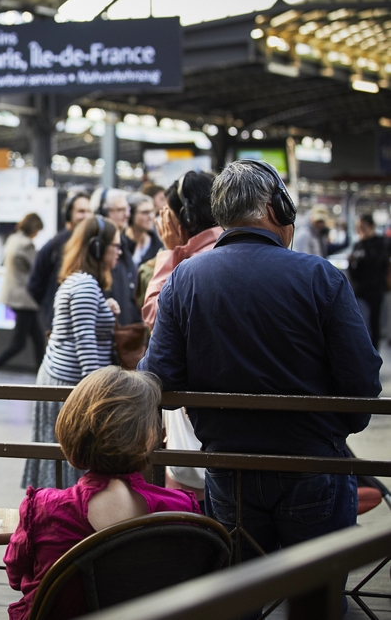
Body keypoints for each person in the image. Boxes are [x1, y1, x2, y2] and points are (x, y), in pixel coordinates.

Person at [139, 160, 380, 577]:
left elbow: (158, 374)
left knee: (237, 595)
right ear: (276, 209)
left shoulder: (184, 279)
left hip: (229, 471)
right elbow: (361, 381)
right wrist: (337, 429)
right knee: (316, 597)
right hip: (313, 465)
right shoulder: (321, 277)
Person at [5, 366, 199, 620]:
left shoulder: (43, 508)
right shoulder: (181, 510)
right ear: (151, 434)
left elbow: (16, 577)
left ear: (73, 427)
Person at [140, 171, 222, 502]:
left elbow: (155, 315)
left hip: (201, 419)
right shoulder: (219, 248)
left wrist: (168, 251)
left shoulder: (196, 262)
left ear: (182, 218)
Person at [23, 217, 121, 490]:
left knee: (59, 461)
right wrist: (97, 400)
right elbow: (86, 346)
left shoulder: (83, 284)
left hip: (65, 386)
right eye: (115, 246)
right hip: (69, 389)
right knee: (67, 463)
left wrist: (106, 307)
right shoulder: (85, 287)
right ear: (97, 248)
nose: (119, 252)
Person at [141, 172, 222, 331]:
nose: (164, 223)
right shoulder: (232, 245)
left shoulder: (194, 266)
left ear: (188, 217)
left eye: (167, 215)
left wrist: (169, 253)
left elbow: (155, 316)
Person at [0, 213, 44, 382]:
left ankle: (42, 378)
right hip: (24, 298)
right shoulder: (26, 245)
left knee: (37, 341)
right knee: (21, 343)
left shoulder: (13, 239)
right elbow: (38, 268)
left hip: (16, 296)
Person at [27, 191, 92, 332]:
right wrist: (50, 307)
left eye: (89, 211)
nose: (86, 216)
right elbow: (34, 284)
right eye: (81, 211)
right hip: (58, 325)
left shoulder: (93, 244)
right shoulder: (54, 246)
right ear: (69, 215)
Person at [92, 188, 139, 325]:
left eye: (127, 209)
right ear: (103, 213)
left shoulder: (125, 246)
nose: (126, 215)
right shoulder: (97, 249)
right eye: (119, 210)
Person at [348, 212, 388, 349]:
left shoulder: (381, 242)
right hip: (360, 290)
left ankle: (374, 353)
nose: (360, 230)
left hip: (376, 289)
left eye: (362, 227)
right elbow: (354, 272)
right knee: (359, 323)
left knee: (374, 324)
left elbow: (377, 263)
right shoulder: (358, 245)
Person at [123, 193, 161, 271]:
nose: (151, 217)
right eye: (145, 212)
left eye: (152, 211)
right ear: (131, 215)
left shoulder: (156, 243)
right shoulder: (120, 241)